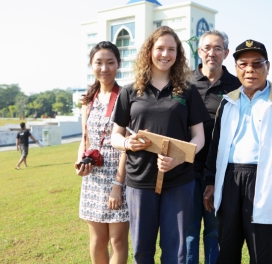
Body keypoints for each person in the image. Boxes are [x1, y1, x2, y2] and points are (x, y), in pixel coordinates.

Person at [111, 26, 210, 264]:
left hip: (179, 181)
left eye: (171, 49)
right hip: (139, 180)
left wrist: (179, 158)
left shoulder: (187, 91)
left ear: (178, 54)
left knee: (174, 250)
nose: (165, 54)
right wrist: (127, 143)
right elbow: (115, 135)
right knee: (142, 251)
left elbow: (199, 137)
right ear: (149, 52)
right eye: (160, 48)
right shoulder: (129, 91)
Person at [203, 39, 272, 263]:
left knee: (262, 254)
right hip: (229, 180)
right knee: (227, 250)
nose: (250, 69)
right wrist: (211, 181)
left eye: (257, 63)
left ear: (267, 67)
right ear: (236, 69)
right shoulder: (227, 102)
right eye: (243, 64)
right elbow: (216, 146)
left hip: (265, 182)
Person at [186, 30, 241, 264]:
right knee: (187, 233)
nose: (212, 53)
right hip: (185, 170)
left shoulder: (237, 86)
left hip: (220, 174)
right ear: (199, 52)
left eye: (218, 48)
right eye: (207, 48)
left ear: (226, 53)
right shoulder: (184, 83)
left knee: (214, 231)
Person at [74, 41, 129, 264]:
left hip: (118, 178)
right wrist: (79, 162)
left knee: (117, 241)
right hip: (93, 179)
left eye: (110, 63)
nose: (104, 68)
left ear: (118, 64)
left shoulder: (126, 96)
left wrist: (118, 185)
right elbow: (84, 139)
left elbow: (127, 144)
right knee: (97, 240)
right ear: (91, 65)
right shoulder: (88, 100)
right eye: (99, 63)